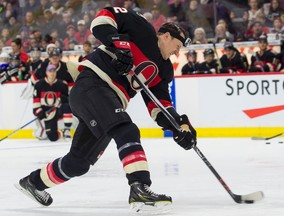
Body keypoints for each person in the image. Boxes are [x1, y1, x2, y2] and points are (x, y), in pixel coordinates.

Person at [16, 6, 197, 213]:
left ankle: (32, 183)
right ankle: (139, 187)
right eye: (177, 45)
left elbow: (159, 106)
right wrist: (118, 43)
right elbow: (102, 19)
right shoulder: (142, 29)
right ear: (165, 35)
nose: (177, 52)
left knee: (79, 162)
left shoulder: (164, 70)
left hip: (106, 102)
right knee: (126, 130)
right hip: (91, 85)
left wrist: (179, 125)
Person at [32, 64, 73, 142]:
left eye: (54, 71)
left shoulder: (62, 85)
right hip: (46, 113)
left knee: (67, 107)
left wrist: (64, 99)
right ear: (46, 72)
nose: (52, 73)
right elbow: (36, 104)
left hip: (57, 111)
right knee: (53, 138)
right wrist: (41, 113)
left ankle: (67, 130)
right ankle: (48, 131)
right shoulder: (39, 84)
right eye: (50, 71)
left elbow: (67, 100)